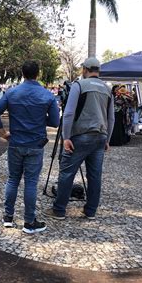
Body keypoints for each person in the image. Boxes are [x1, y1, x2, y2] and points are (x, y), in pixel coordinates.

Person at [0, 60, 60, 234]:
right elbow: (54, 121)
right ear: (38, 74)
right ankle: (29, 222)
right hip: (35, 144)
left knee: (13, 179)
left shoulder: (11, 93)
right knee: (30, 182)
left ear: (22, 74)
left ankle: (8, 217)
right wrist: (38, 118)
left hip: (15, 142)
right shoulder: (48, 95)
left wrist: (3, 133)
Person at [43, 57, 114, 220]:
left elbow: (68, 113)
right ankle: (90, 211)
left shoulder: (79, 85)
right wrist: (107, 139)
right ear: (98, 70)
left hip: (80, 135)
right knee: (95, 175)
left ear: (85, 69)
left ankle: (59, 210)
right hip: (100, 136)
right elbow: (111, 118)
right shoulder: (107, 89)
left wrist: (66, 136)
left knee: (67, 172)